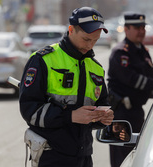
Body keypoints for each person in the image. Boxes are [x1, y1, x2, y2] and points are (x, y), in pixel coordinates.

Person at [19, 6, 114, 167]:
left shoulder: (96, 68)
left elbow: (101, 104)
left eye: (95, 40)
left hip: (83, 156)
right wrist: (70, 116)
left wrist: (103, 117)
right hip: (51, 155)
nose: (90, 45)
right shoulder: (43, 60)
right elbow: (29, 110)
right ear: (71, 30)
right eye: (86, 39)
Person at [107, 12, 153, 167]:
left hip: (136, 113)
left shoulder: (142, 51)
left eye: (143, 27)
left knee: (138, 157)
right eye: (137, 27)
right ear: (126, 29)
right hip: (121, 116)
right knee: (122, 160)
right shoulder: (120, 53)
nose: (141, 31)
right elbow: (134, 80)